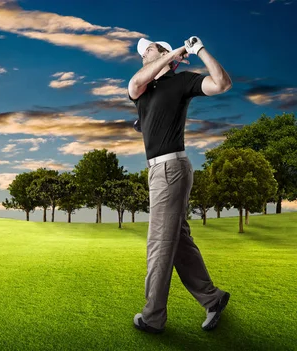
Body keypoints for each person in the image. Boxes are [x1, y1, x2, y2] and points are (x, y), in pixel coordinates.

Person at [127, 36, 232, 334]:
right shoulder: (143, 90)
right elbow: (134, 84)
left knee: (159, 244)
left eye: (148, 50)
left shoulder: (182, 81)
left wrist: (198, 50)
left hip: (171, 169)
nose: (143, 55)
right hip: (158, 172)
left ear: (161, 51)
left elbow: (222, 84)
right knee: (178, 241)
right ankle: (213, 298)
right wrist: (172, 54)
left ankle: (152, 317)